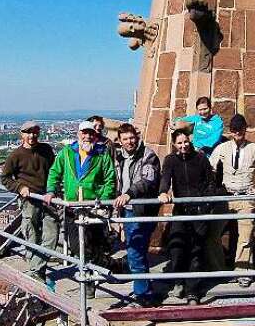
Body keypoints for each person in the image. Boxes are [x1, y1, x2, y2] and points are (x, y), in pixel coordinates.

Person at [44, 121, 116, 283]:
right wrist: (50, 190)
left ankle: (92, 278)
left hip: (93, 207)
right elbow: (55, 172)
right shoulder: (67, 152)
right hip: (73, 207)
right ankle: (107, 265)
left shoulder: (102, 154)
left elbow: (110, 179)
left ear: (95, 136)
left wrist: (103, 200)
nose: (87, 136)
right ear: (78, 134)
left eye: (91, 133)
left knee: (95, 242)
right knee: (77, 246)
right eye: (84, 133)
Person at [209, 114, 255, 287]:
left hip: (246, 196)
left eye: (240, 129)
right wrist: (213, 190)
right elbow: (210, 169)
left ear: (245, 129)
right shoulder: (222, 148)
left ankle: (243, 272)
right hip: (226, 196)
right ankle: (219, 270)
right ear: (230, 131)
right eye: (234, 130)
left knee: (245, 237)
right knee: (212, 234)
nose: (237, 133)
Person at [158, 128, 218, 305]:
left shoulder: (200, 159)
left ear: (189, 141)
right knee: (177, 247)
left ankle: (193, 290)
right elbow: (165, 178)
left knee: (196, 250)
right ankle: (178, 281)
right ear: (174, 145)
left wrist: (206, 202)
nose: (183, 146)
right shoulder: (170, 160)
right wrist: (163, 192)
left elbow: (210, 182)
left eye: (185, 142)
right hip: (181, 210)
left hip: (199, 210)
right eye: (179, 143)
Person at [0, 121, 58, 281]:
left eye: (34, 132)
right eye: (28, 132)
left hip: (48, 197)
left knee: (52, 234)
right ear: (22, 135)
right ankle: (38, 269)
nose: (32, 136)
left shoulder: (46, 150)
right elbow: (4, 178)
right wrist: (19, 187)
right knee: (32, 235)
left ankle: (36, 269)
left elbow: (54, 170)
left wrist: (54, 189)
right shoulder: (16, 155)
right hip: (30, 200)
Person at [112, 123, 161, 306]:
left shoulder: (148, 155)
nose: (129, 142)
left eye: (131, 138)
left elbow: (146, 181)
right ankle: (145, 290)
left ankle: (143, 295)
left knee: (134, 252)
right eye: (125, 139)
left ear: (137, 136)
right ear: (120, 141)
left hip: (140, 210)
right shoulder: (119, 156)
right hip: (127, 210)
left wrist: (128, 194)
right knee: (137, 251)